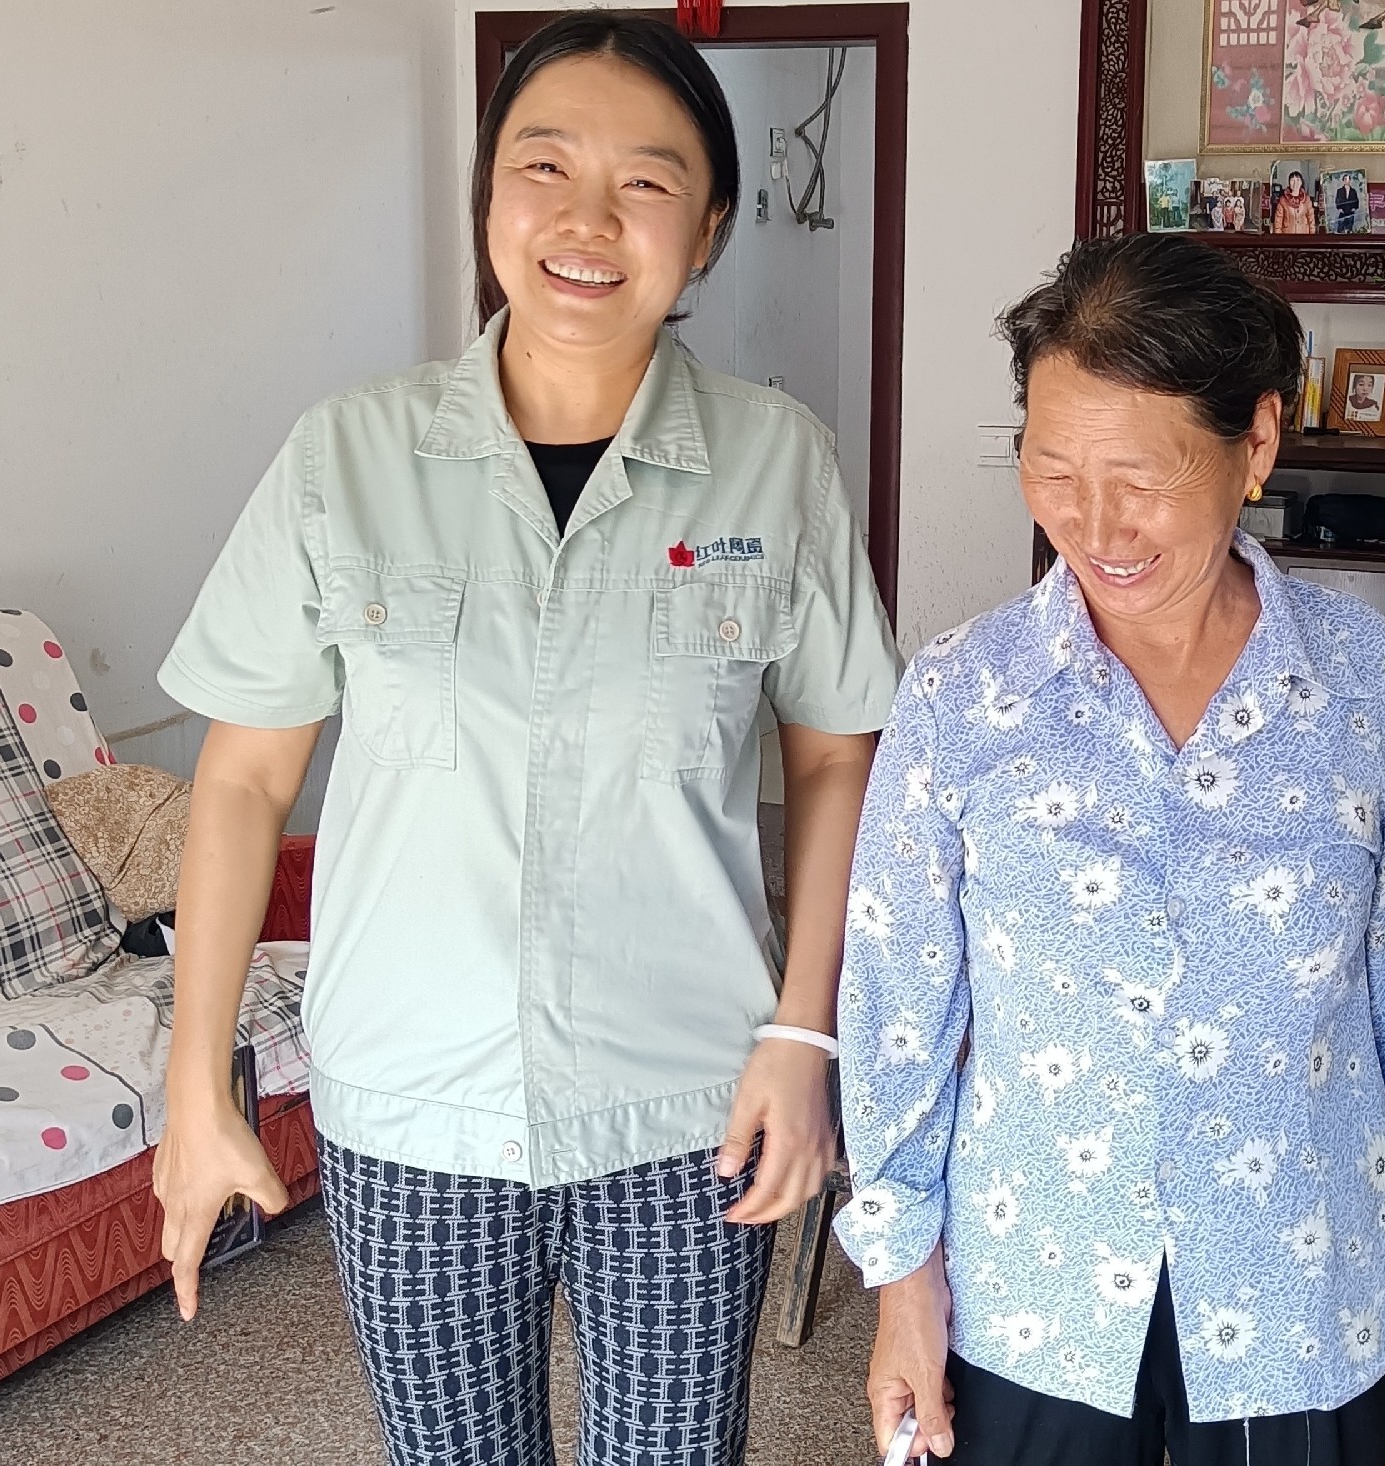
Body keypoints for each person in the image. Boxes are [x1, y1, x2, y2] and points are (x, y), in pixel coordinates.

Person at [151, 14, 898, 1465]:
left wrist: (806, 1033)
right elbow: (241, 777)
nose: (587, 220)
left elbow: (832, 756)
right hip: (411, 1106)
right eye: (543, 167)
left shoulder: (778, 460)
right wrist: (195, 1083)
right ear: (488, 193)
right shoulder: (345, 456)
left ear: (710, 228)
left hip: (688, 1101)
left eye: (646, 181)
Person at [835, 233, 1385, 1465]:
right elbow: (896, 1013)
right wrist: (902, 1286)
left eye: (1139, 478)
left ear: (1258, 443)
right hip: (1038, 1290)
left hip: (1302, 1284)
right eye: (1052, 468)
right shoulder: (963, 697)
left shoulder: (1360, 685)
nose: (1093, 524)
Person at [1273, 170, 1316, 234]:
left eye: (1298, 180)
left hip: (1304, 236)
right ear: (1289, 183)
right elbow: (1278, 222)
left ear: (1301, 182)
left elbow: (1311, 219)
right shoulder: (1283, 200)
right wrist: (1278, 237)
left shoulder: (1307, 200)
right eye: (1292, 180)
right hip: (1288, 236)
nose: (1295, 183)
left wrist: (1312, 236)